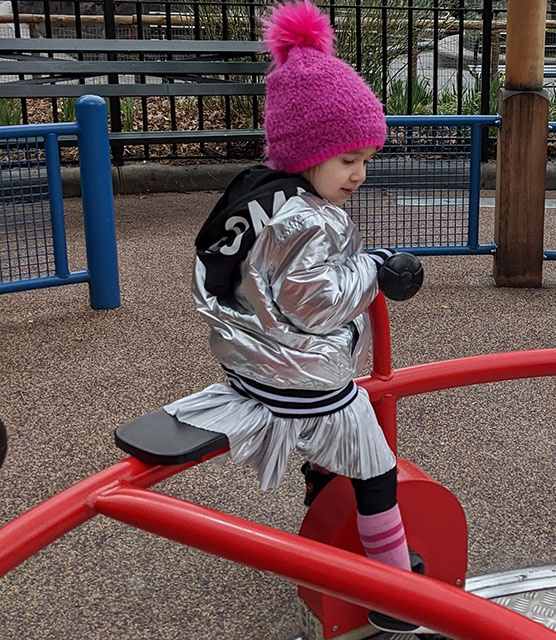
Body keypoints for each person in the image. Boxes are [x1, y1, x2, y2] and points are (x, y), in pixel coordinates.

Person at [163, 1, 423, 633]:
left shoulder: (258, 193)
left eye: (367, 159)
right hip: (309, 381)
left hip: (254, 368)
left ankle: (318, 511)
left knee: (325, 459)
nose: (360, 175)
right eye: (347, 161)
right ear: (307, 153)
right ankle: (393, 591)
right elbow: (316, 304)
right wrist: (378, 271)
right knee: (377, 469)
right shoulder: (306, 217)